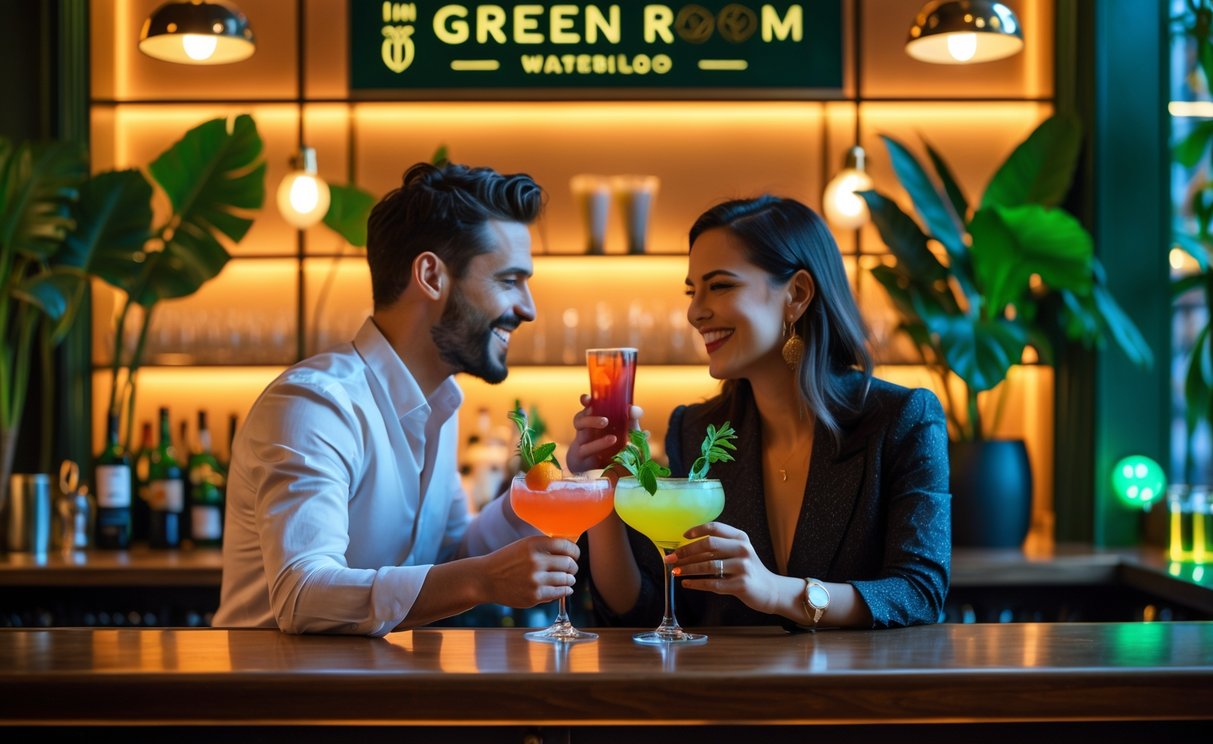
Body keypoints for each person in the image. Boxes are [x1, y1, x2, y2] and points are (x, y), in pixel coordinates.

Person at [214, 162, 579, 635]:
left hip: (380, 695)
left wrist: (535, 497)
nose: (527, 309)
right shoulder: (315, 405)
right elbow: (301, 594)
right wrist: (482, 580)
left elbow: (450, 558)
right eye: (509, 281)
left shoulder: (442, 407)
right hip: (277, 701)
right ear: (430, 275)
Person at [570, 195, 950, 630]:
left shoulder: (902, 419)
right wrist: (605, 486)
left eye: (721, 286)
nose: (696, 312)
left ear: (798, 294)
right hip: (729, 691)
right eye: (693, 291)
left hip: (854, 692)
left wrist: (774, 590)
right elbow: (646, 610)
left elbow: (919, 593)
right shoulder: (696, 430)